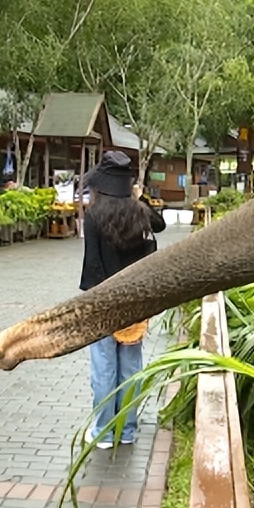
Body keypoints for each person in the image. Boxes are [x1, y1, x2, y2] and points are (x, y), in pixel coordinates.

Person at [80, 151, 166, 449]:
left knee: (103, 368)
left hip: (103, 299)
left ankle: (104, 431)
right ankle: (127, 430)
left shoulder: (93, 215)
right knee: (130, 368)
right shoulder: (138, 212)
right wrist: (138, 198)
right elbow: (160, 225)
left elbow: (93, 263)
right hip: (134, 299)